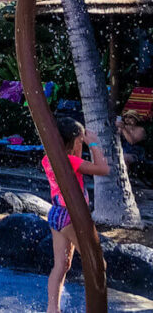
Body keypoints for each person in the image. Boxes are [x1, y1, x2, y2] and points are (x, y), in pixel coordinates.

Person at [43, 117, 110, 313]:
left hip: (56, 214)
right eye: (81, 142)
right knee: (98, 263)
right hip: (70, 216)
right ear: (72, 142)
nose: (83, 145)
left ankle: (52, 309)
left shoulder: (49, 159)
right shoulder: (71, 161)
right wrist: (94, 144)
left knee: (62, 265)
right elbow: (103, 169)